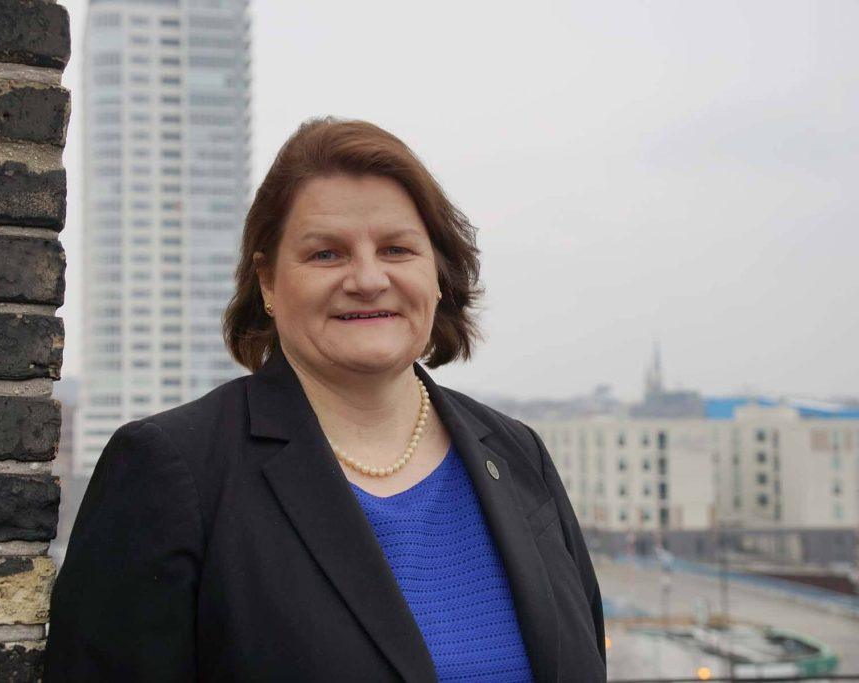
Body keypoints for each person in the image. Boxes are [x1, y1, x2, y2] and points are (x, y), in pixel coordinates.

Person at [44, 117, 606, 682]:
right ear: (268, 282)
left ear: (437, 273)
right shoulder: (171, 470)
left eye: (396, 249)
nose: (368, 279)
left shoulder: (518, 455)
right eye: (326, 255)